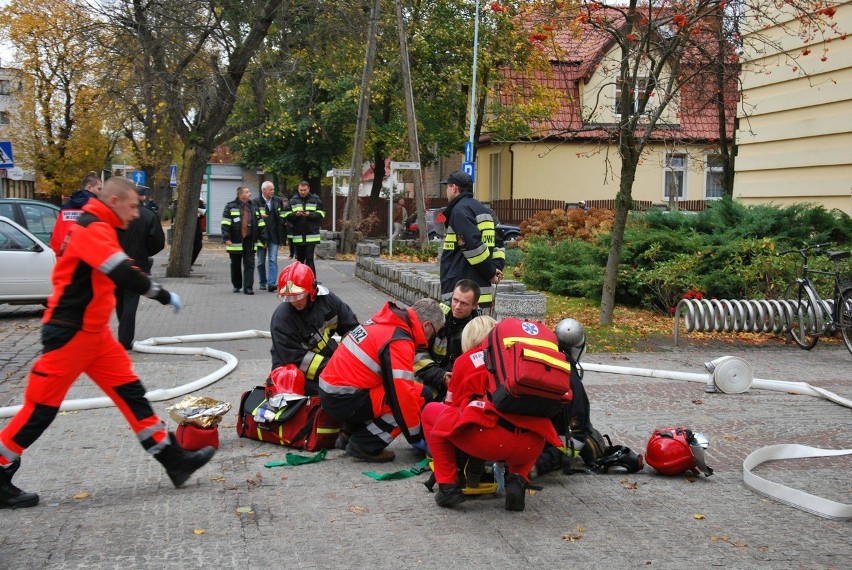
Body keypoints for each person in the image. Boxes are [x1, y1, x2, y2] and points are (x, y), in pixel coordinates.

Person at [0, 177, 214, 509]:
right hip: (70, 332)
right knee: (40, 409)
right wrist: (161, 293)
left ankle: (173, 459)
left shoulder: (98, 225)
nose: (134, 214)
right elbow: (122, 272)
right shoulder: (91, 227)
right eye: (131, 206)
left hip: (93, 333)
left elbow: (118, 264)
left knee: (132, 394)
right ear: (113, 200)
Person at [421, 316, 562, 511]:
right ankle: (518, 479)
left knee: (433, 414)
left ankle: (448, 486)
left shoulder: (465, 360)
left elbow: (450, 407)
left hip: (488, 440)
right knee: (531, 419)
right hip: (532, 445)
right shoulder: (520, 362)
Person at [318, 299, 444, 463]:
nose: (431, 338)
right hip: (344, 398)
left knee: (415, 391)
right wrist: (415, 438)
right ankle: (365, 443)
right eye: (434, 333)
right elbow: (403, 396)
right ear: (426, 325)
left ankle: (350, 433)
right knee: (410, 398)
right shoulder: (399, 340)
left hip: (333, 392)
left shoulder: (386, 320)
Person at [271, 261, 359, 396]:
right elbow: (297, 359)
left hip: (327, 359)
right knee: (336, 393)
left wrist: (352, 357)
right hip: (297, 371)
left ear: (312, 290)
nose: (295, 302)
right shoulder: (282, 320)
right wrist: (336, 369)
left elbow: (351, 327)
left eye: (299, 296)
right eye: (289, 298)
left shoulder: (328, 302)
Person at [438, 171, 503, 311]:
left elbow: (472, 247)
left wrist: (491, 272)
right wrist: (497, 267)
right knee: (478, 331)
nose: (446, 191)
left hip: (460, 291)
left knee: (456, 332)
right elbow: (498, 244)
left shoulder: (459, 210)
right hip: (481, 291)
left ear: (454, 188)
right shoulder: (482, 210)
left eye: (447, 187)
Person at [115, 185, 166, 350]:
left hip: (115, 263)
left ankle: (123, 333)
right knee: (131, 301)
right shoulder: (149, 215)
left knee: (119, 299)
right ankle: (125, 339)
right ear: (142, 197)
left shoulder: (116, 214)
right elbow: (158, 241)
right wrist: (146, 252)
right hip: (137, 264)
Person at [414, 279, 481, 402]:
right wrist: (440, 376)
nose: (457, 307)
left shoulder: (478, 330)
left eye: (464, 303)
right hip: (428, 377)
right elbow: (416, 350)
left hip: (455, 386)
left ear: (474, 305)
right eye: (455, 300)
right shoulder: (436, 317)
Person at [221, 186, 265, 295]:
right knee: (235, 264)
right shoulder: (230, 206)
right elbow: (225, 223)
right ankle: (237, 285)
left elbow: (260, 224)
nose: (250, 193)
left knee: (250, 264)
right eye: (247, 192)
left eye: (249, 191)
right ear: (240, 195)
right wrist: (226, 238)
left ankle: (248, 287)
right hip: (235, 240)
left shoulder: (254, 206)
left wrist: (264, 239)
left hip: (250, 239)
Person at [49, 173, 103, 255]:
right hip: (85, 256)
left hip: (64, 255)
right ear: (89, 187)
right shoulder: (95, 206)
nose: (101, 193)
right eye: (99, 189)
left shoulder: (65, 206)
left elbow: (55, 235)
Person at [284, 181, 324, 277]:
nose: (302, 192)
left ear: (308, 189)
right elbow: (285, 214)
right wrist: (296, 215)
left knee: (309, 258)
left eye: (304, 190)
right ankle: (300, 281)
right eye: (300, 190)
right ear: (298, 189)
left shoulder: (315, 199)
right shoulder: (293, 200)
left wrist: (310, 214)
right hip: (298, 235)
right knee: (300, 260)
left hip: (311, 235)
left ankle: (312, 281)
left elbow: (322, 214)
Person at [255, 181, 286, 292]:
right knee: (261, 261)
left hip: (274, 236)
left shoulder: (277, 201)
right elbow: (253, 217)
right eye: (270, 189)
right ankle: (262, 282)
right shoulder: (256, 202)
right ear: (264, 190)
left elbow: (282, 214)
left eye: (273, 189)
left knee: (273, 259)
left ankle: (271, 283)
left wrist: (283, 222)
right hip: (261, 236)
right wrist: (258, 216)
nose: (273, 191)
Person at [191, 199, 206, 266]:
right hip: (186, 228)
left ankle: (190, 263)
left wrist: (199, 214)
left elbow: (203, 212)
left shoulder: (198, 201)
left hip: (196, 229)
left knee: (198, 246)